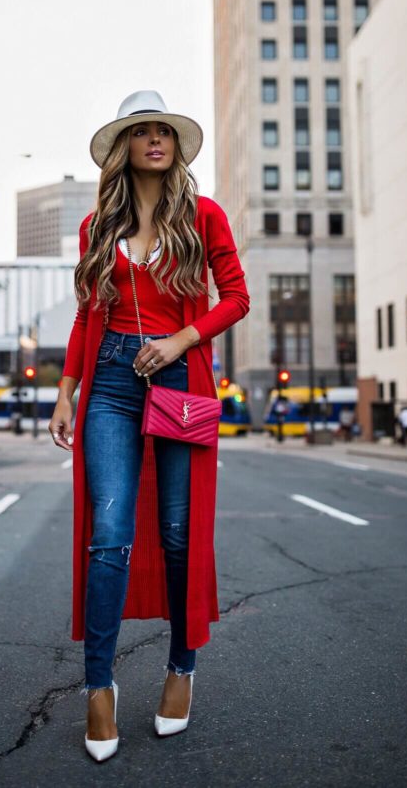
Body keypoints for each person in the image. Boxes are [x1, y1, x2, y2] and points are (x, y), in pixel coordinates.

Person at [48, 90, 250, 761]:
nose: (156, 140)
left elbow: (237, 297)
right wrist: (66, 391)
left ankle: (181, 669)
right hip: (109, 381)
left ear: (175, 146)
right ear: (125, 147)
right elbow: (85, 316)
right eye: (143, 132)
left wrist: (180, 339)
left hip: (178, 378)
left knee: (175, 532)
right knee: (109, 530)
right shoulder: (94, 228)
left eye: (165, 131)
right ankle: (99, 686)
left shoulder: (204, 215)